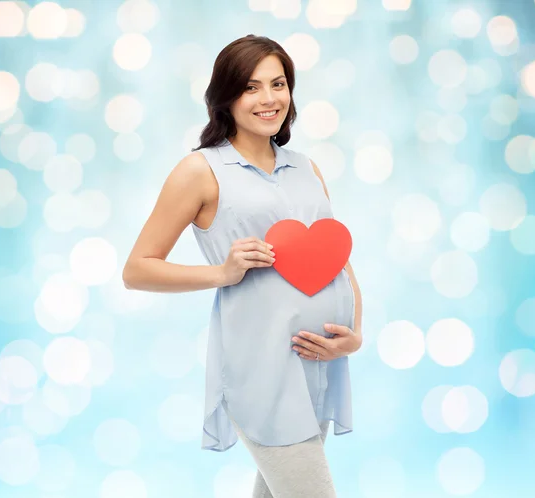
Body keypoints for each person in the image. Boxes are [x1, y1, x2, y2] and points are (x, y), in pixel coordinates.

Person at [123, 34, 362, 498]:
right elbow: (137, 269)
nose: (269, 99)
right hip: (263, 372)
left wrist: (355, 334)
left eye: (279, 84)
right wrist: (221, 273)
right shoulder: (201, 170)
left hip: (318, 367)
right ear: (226, 97)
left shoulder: (306, 167)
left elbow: (339, 259)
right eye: (252, 87)